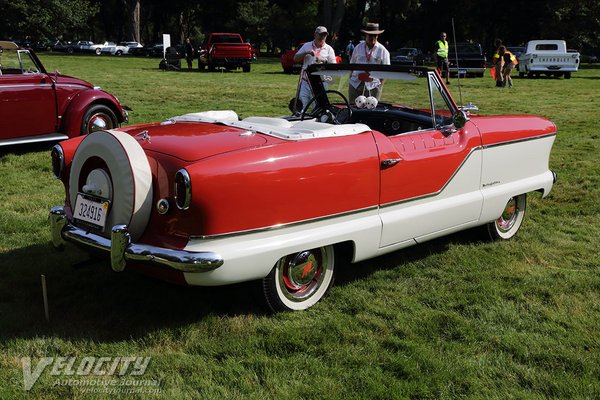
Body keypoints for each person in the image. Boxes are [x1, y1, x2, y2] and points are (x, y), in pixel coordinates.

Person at [293, 26, 337, 111]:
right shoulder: (307, 46)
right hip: (306, 82)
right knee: (302, 108)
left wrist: (323, 61)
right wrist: (306, 53)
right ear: (315, 35)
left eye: (324, 35)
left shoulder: (329, 49)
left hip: (321, 84)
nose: (322, 37)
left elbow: (334, 67)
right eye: (320, 35)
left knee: (319, 110)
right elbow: (295, 58)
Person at [348, 22, 391, 103]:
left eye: (375, 35)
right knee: (352, 109)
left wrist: (380, 86)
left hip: (373, 85)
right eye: (370, 35)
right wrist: (350, 79)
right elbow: (351, 65)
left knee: (372, 112)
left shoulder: (383, 51)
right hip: (355, 83)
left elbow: (386, 71)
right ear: (365, 35)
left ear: (378, 35)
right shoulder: (358, 48)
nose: (373, 38)